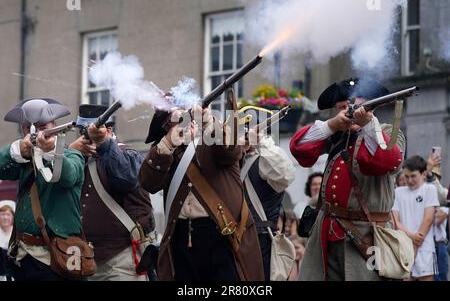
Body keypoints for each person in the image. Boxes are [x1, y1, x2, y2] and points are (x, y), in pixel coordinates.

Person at [290, 78, 405, 281]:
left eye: (355, 106)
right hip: (327, 235)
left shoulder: (387, 132)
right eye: (343, 107)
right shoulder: (337, 136)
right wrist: (332, 125)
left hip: (368, 236)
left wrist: (367, 124)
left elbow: (385, 161)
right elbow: (299, 147)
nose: (350, 110)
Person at [138, 105, 264, 281]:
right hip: (181, 234)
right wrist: (167, 144)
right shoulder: (164, 151)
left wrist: (209, 123)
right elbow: (148, 183)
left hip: (221, 232)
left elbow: (231, 152)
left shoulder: (212, 137)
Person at [0, 98, 85, 281]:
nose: (37, 132)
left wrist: (51, 153)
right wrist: (17, 151)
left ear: (53, 125)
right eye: (29, 128)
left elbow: (68, 176)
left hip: (55, 257)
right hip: (22, 256)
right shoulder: (23, 161)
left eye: (42, 126)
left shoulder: (73, 155)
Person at [69, 104, 155, 281]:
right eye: (83, 132)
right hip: (85, 256)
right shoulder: (77, 158)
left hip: (121, 256)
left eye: (90, 133)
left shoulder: (128, 154)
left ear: (108, 130)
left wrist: (104, 145)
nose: (86, 138)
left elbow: (126, 179)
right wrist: (69, 152)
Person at [240, 122, 295, 281]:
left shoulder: (267, 157)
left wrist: (260, 141)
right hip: (234, 239)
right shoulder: (233, 161)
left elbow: (285, 175)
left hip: (260, 240)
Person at [392, 155, 439, 281]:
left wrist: (415, 243)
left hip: (425, 249)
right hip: (403, 249)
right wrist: (412, 238)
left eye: (413, 176)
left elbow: (428, 219)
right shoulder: (398, 192)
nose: (409, 180)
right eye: (406, 176)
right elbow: (395, 221)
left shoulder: (430, 189)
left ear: (424, 174)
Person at [425, 152, 449, 281]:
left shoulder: (443, 195)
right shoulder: (422, 192)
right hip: (426, 244)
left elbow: (437, 219)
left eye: (436, 177)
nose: (434, 179)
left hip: (439, 245)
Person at [0, 201, 15, 281]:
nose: (5, 217)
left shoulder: (17, 232)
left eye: (8, 214)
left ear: (12, 217)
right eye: (2, 214)